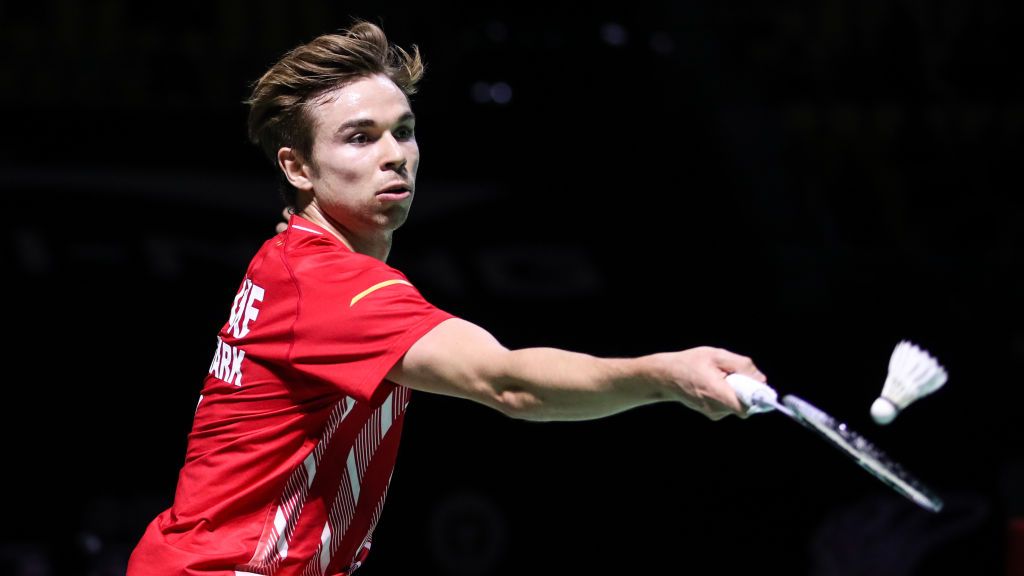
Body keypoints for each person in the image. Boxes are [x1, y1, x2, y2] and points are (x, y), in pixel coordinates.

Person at [127, 21, 766, 576]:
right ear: (297, 168)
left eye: (403, 131)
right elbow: (508, 383)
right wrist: (665, 376)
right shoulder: (330, 286)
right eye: (359, 137)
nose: (394, 156)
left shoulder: (297, 260)